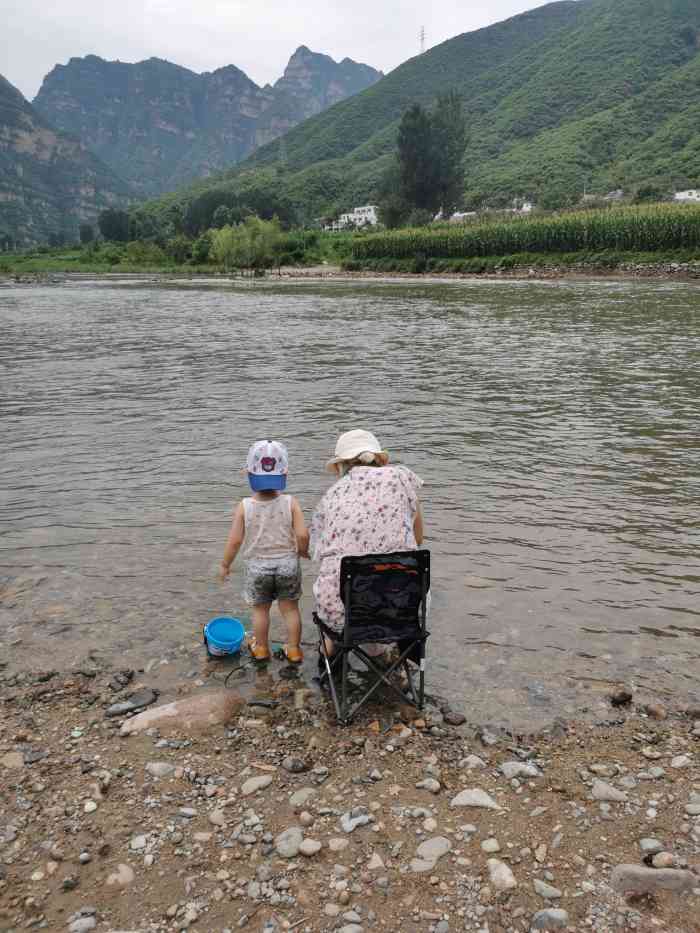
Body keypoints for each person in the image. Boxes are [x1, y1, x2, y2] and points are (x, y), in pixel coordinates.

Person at [309, 429, 425, 657]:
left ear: (341, 465)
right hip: (404, 607)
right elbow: (418, 538)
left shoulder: (331, 496)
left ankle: (330, 655)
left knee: (333, 587)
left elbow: (317, 553)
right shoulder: (401, 479)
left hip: (347, 613)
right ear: (380, 459)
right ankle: (397, 652)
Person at [218, 440, 309, 663]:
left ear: (249, 473)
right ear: (284, 474)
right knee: (289, 610)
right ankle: (294, 649)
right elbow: (303, 534)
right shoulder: (291, 502)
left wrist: (225, 565)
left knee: (260, 611)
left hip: (258, 566)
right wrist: (303, 551)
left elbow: (235, 541)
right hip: (288, 564)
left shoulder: (245, 506)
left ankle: (260, 649)